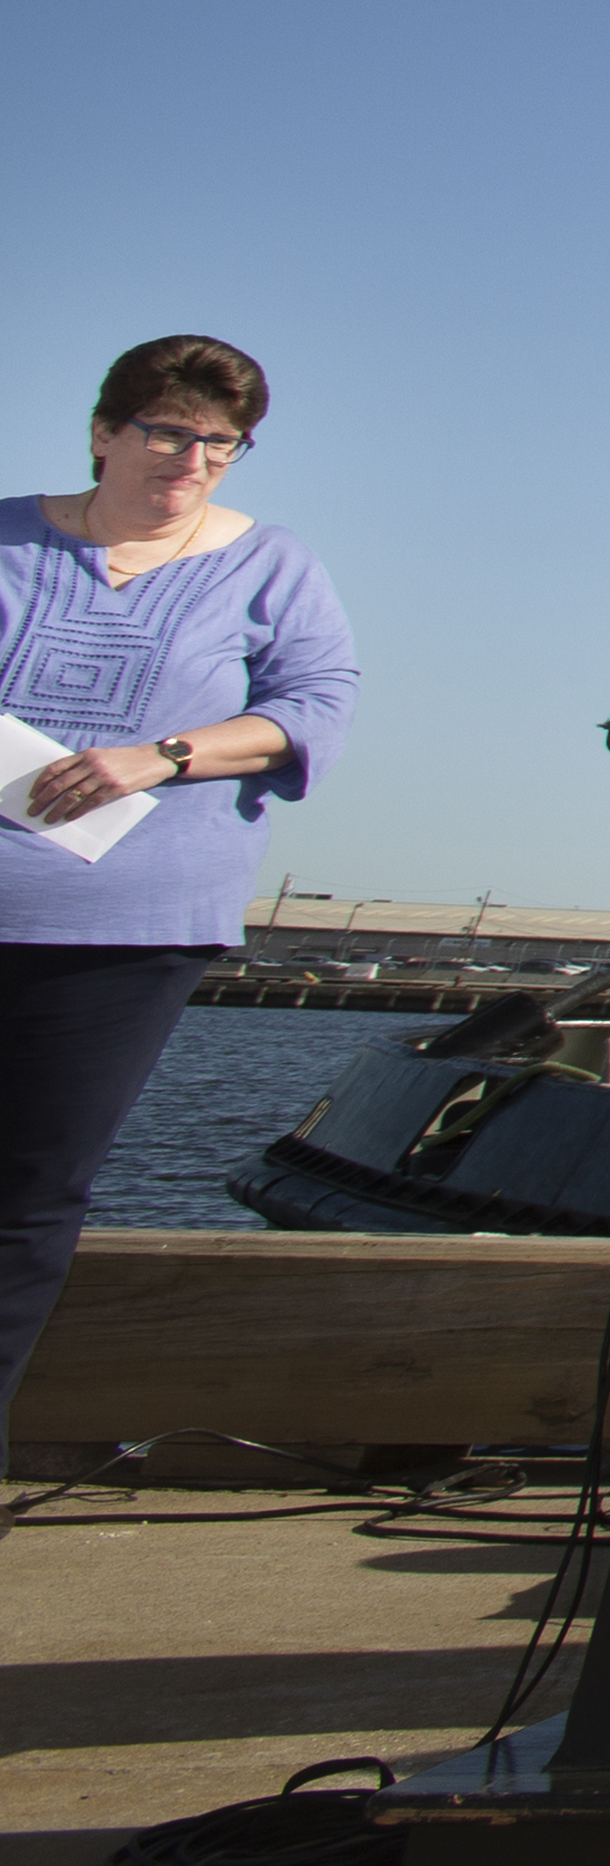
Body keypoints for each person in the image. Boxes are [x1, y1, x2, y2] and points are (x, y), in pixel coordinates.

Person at [3, 339, 358, 1449]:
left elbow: (315, 709)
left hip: (127, 932)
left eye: (220, 441)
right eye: (166, 430)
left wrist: (159, 753)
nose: (191, 457)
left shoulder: (272, 564)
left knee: (25, 1200)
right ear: (105, 431)